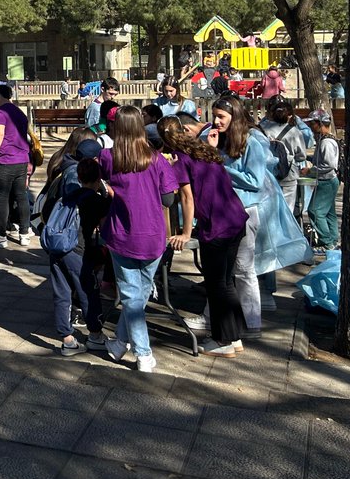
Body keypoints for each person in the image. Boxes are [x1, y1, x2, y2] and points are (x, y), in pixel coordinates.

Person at [159, 116, 248, 358]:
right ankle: (235, 334)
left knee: (217, 285)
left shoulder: (181, 160)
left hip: (217, 226)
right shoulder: (205, 150)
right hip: (236, 219)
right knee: (227, 282)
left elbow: (187, 198)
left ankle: (224, 340)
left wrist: (186, 233)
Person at [99, 105, 179, 373]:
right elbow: (169, 197)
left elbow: (102, 186)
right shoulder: (157, 159)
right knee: (137, 295)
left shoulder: (107, 158)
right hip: (154, 235)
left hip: (122, 234)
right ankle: (121, 344)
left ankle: (142, 353)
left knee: (134, 296)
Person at [194, 96, 273, 338]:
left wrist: (220, 165)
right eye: (214, 115)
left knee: (243, 269)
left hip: (245, 211)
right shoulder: (217, 138)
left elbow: (255, 181)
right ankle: (214, 318)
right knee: (219, 273)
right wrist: (210, 150)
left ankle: (251, 322)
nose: (216, 121)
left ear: (234, 116)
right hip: (221, 211)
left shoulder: (252, 142)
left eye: (221, 117)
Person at [49, 141, 111, 356]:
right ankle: (95, 335)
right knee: (88, 292)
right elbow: (106, 230)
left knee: (62, 293)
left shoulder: (68, 194)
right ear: (97, 178)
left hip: (58, 248)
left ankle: (66, 338)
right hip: (79, 251)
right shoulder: (96, 200)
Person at [0, 84, 32, 248]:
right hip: (22, 160)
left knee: (2, 198)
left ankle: (0, 236)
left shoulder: (0, 112)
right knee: (21, 197)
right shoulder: (20, 113)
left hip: (5, 160)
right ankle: (24, 233)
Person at [306, 109, 340, 253]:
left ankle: (326, 242)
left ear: (320, 124)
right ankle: (333, 239)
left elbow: (329, 164)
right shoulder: (323, 140)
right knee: (329, 213)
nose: (310, 126)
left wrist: (310, 170)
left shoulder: (326, 142)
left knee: (315, 211)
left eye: (312, 123)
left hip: (327, 182)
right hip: (327, 181)